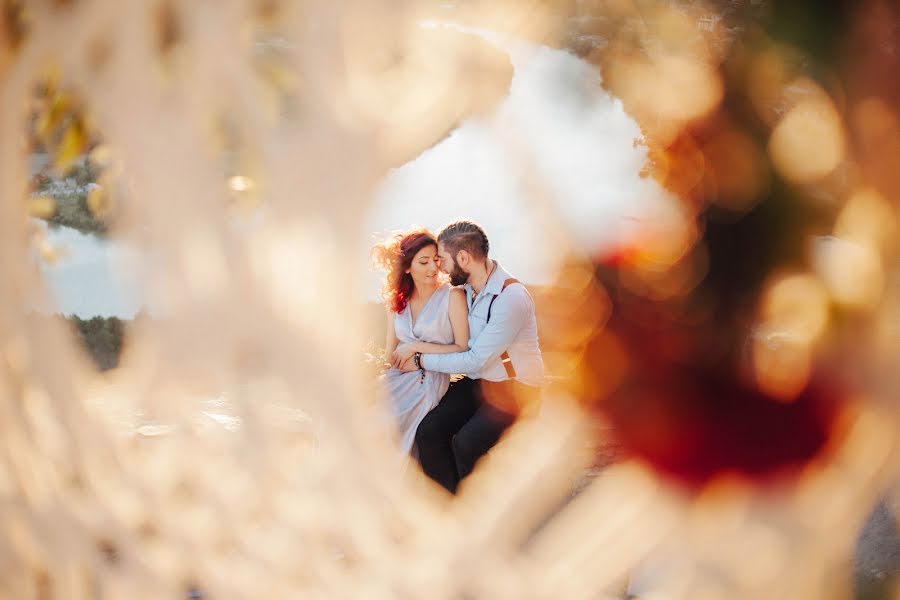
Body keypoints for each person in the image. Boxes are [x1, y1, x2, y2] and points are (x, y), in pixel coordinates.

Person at [401, 221, 544, 493]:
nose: (439, 268)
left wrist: (419, 360)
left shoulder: (510, 297)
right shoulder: (466, 290)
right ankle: (448, 508)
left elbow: (475, 359)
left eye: (442, 260)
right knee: (429, 431)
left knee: (467, 443)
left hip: (517, 390)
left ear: (463, 258)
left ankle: (476, 515)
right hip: (481, 383)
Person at [372, 229, 470, 458]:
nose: (433, 268)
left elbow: (462, 347)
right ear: (407, 267)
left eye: (436, 260)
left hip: (428, 381)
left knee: (386, 425)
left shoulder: (452, 296)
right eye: (424, 262)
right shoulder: (396, 302)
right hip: (397, 377)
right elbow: (390, 354)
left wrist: (416, 348)